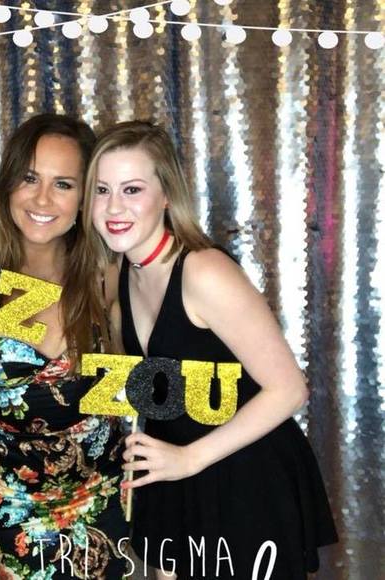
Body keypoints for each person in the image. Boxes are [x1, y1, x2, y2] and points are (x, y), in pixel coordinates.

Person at [83, 121, 338, 579]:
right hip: (173, 473)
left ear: (166, 195)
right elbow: (147, 380)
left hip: (243, 475)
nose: (114, 207)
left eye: (132, 189)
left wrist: (189, 459)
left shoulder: (204, 271)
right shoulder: (119, 273)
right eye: (102, 190)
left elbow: (289, 390)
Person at [0, 114, 129, 579]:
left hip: (109, 493)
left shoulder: (108, 277)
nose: (42, 199)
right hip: (16, 509)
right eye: (30, 178)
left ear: (85, 197)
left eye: (63, 184)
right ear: (7, 184)